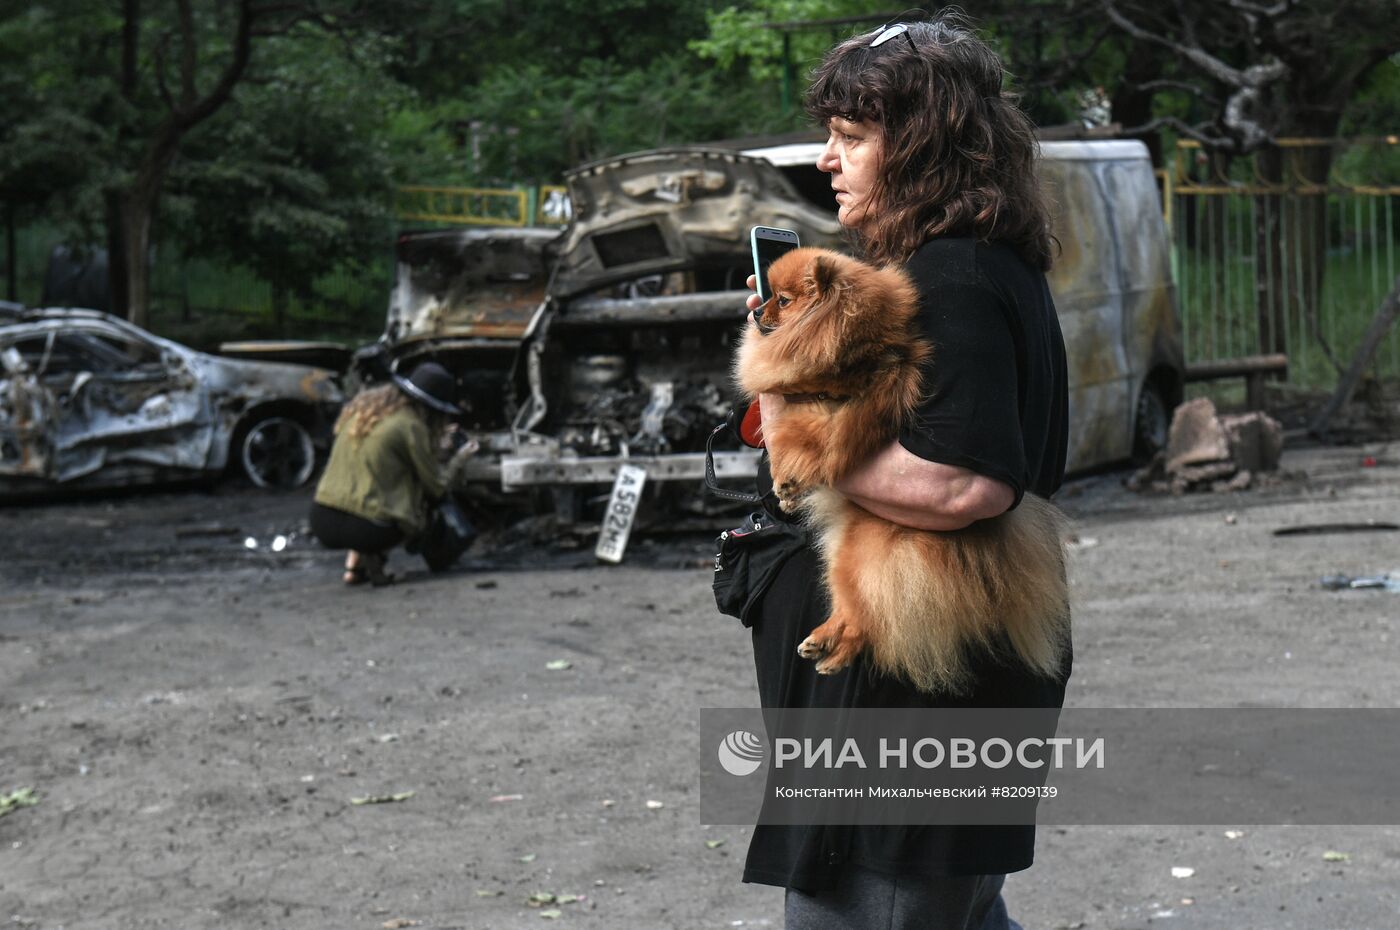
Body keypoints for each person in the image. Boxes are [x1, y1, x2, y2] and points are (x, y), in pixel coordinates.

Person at [732, 14, 1071, 930]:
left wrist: (796, 446)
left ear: (924, 145)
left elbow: (968, 484)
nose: (827, 162)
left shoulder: (954, 274)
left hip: (912, 709)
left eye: (851, 139)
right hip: (936, 685)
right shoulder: (981, 263)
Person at [310, 361, 475, 586]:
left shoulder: (362, 413)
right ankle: (376, 567)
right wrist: (459, 459)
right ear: (433, 408)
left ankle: (353, 568)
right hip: (368, 530)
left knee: (364, 494)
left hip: (321, 518)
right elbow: (435, 487)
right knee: (414, 503)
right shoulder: (411, 425)